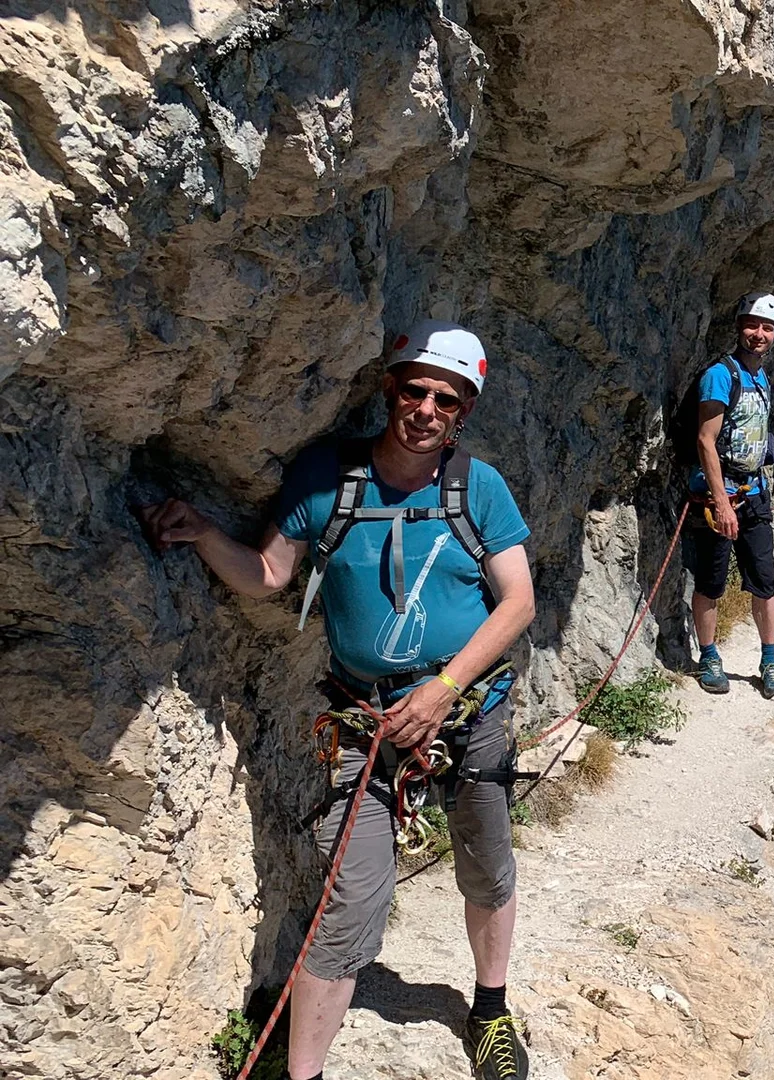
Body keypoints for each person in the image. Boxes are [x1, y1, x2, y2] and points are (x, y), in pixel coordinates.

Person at [137, 320, 537, 1080]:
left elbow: (516, 602)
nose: (425, 408)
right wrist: (202, 534)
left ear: (463, 414)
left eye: (444, 399)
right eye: (414, 389)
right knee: (350, 900)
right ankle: (303, 1074)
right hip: (365, 722)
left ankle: (490, 1008)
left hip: (467, 715)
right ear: (390, 390)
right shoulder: (329, 480)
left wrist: (443, 691)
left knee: (486, 866)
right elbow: (269, 574)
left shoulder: (475, 487)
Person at [686, 292, 774, 697]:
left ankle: (769, 659)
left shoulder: (761, 376)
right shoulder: (720, 375)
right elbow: (705, 440)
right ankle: (709, 656)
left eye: (767, 327)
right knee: (711, 581)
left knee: (765, 581)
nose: (758, 333)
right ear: (739, 327)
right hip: (720, 496)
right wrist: (722, 502)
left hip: (754, 492)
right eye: (752, 324)